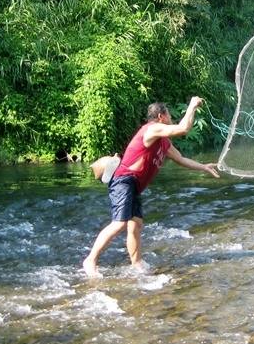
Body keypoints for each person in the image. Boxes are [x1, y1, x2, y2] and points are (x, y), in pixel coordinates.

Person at [82, 97, 219, 278]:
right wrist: (192, 105)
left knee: (136, 224)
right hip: (124, 181)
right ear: (161, 116)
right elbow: (183, 128)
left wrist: (203, 167)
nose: (171, 118)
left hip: (134, 185)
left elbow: (181, 159)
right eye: (169, 114)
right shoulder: (151, 129)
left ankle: (136, 262)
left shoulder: (163, 143)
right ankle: (90, 260)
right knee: (119, 223)